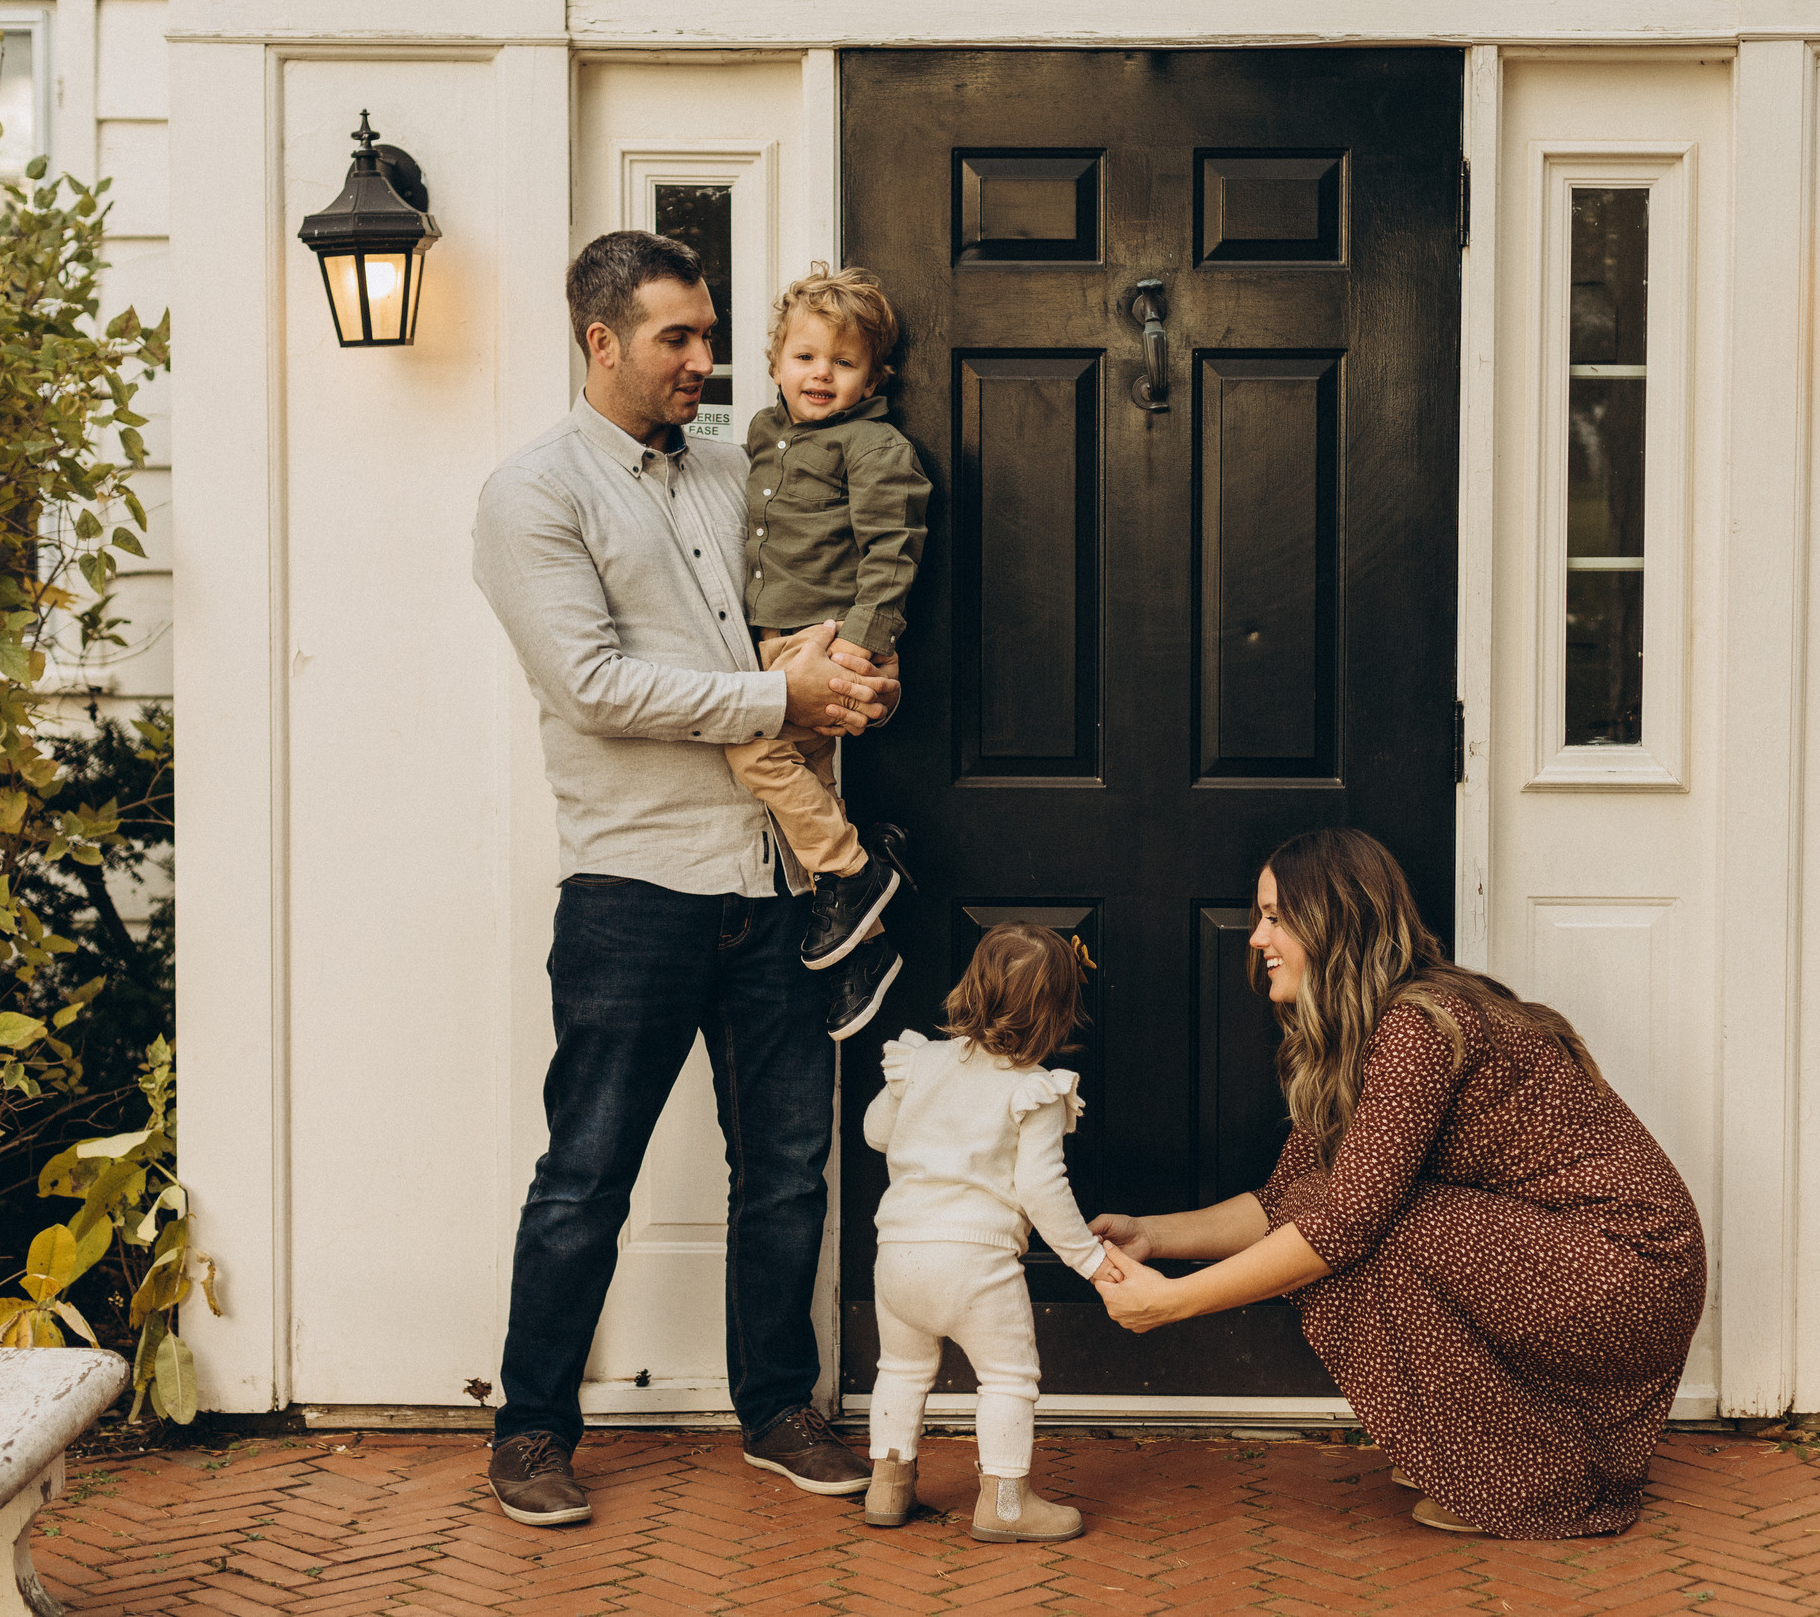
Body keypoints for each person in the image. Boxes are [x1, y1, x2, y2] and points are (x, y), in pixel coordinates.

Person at [470, 230, 900, 1529]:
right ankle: (533, 1426)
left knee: (784, 1169)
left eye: (713, 336)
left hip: (780, 888)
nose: (707, 363)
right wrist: (782, 689)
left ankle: (778, 1405)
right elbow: (592, 685)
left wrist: (852, 673)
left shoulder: (743, 468)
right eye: (678, 338)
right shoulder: (534, 492)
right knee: (587, 1168)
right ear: (600, 339)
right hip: (636, 891)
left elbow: (814, 602)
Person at [1088, 828, 1706, 1540]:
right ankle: (1480, 1455)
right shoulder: (1370, 1029)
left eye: (1275, 916)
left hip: (1631, 1264)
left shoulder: (1415, 1025)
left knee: (1375, 1229)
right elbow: (1284, 1197)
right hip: (1587, 1259)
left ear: (1333, 920)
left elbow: (1345, 1221)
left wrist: (1172, 1304)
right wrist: (1153, 1234)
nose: (1257, 937)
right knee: (1332, 1215)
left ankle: (1530, 1480)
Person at [727, 267, 932, 1040]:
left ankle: (857, 873)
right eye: (805, 357)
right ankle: (865, 952)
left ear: (873, 376)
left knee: (752, 751)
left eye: (844, 364)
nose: (821, 375)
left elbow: (892, 550)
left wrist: (859, 648)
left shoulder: (875, 447)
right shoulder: (760, 434)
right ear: (776, 359)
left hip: (828, 643)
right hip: (775, 642)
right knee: (805, 789)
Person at [858, 924, 1105, 1545]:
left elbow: (876, 1134)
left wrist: (910, 1102)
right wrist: (1090, 1260)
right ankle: (1005, 1504)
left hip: (898, 1255)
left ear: (970, 988)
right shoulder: (1034, 1089)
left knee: (901, 1369)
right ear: (1056, 1015)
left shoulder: (921, 1063)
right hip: (977, 1261)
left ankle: (887, 1485)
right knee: (1007, 1377)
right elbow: (1042, 1189)